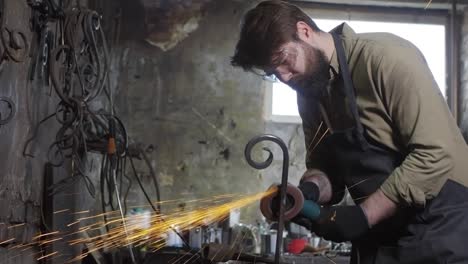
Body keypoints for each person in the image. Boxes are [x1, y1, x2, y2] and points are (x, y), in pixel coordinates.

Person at [231, 1, 468, 263]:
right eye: (274, 73)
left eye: (285, 60)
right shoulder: (309, 95)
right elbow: (326, 170)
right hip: (381, 233)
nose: (285, 78)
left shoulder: (386, 58)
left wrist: (364, 214)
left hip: (442, 225)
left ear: (304, 31)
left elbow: (435, 152)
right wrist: (308, 191)